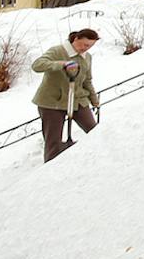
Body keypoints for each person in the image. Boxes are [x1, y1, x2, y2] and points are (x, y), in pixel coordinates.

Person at [32, 27, 102, 162]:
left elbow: (87, 80)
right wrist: (62, 64)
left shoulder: (87, 57)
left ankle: (96, 161)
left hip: (77, 100)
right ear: (76, 39)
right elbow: (37, 65)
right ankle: (51, 168)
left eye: (90, 46)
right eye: (84, 45)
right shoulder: (58, 51)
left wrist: (94, 100)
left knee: (94, 131)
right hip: (53, 102)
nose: (86, 49)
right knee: (53, 141)